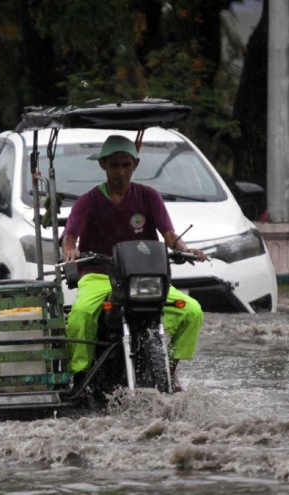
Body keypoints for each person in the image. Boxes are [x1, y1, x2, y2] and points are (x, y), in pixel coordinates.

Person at [60, 134, 208, 393]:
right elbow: (70, 235)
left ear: (135, 165)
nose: (120, 171)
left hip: (144, 277)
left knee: (192, 311)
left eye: (126, 165)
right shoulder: (88, 201)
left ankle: (170, 371)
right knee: (81, 314)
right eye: (114, 165)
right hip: (98, 276)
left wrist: (186, 250)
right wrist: (70, 249)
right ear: (102, 165)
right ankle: (80, 375)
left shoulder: (149, 197)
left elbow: (170, 235)